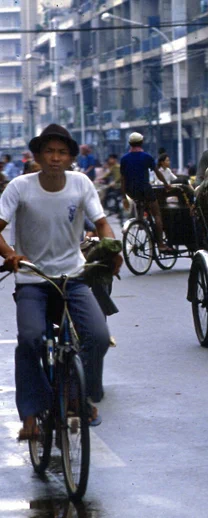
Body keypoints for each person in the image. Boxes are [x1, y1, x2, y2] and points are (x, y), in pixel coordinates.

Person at [0, 124, 122, 439]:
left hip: (74, 277)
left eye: (62, 152)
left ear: (70, 157)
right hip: (32, 279)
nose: (55, 158)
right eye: (50, 152)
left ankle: (77, 396)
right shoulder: (19, 186)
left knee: (97, 335)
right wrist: (11, 254)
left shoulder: (81, 183)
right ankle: (30, 414)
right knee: (30, 339)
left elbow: (103, 223)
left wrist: (110, 248)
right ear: (39, 156)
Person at [120, 132, 173, 253]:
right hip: (144, 189)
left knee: (140, 202)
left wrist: (124, 196)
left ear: (129, 144)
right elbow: (158, 173)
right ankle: (160, 244)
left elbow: (122, 179)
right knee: (157, 214)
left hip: (131, 191)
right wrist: (166, 184)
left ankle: (140, 221)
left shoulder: (124, 159)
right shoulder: (147, 157)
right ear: (142, 142)